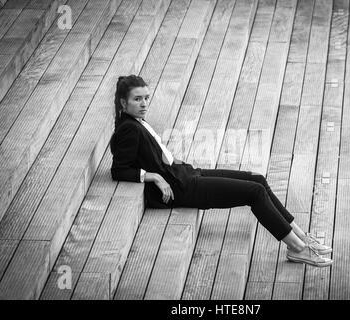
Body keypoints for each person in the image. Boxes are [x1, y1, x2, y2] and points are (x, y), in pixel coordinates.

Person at [110, 75, 333, 267]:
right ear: (123, 102)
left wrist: (171, 160)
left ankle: (302, 237)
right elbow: (119, 170)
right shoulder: (128, 128)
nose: (144, 103)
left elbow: (154, 152)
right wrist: (155, 176)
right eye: (137, 99)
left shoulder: (136, 121)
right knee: (254, 193)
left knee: (257, 179)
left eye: (146, 97)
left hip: (186, 174)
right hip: (183, 188)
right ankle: (296, 248)